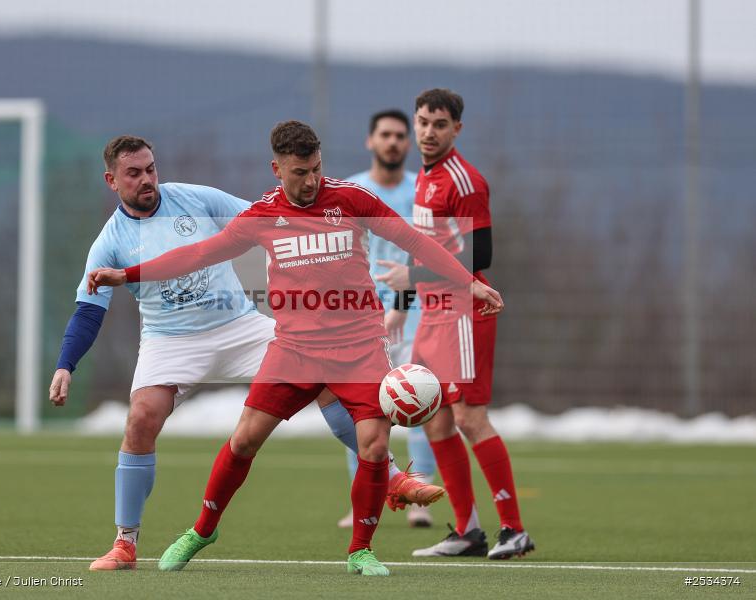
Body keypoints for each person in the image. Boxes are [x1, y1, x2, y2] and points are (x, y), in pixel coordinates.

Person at [88, 121, 504, 576]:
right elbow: (198, 254)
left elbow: (414, 240)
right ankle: (202, 530)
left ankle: (360, 551)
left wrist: (469, 284)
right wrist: (126, 275)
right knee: (244, 439)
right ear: (277, 169)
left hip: (360, 347)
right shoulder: (262, 215)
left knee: (373, 443)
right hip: (295, 349)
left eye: (317, 170)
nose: (311, 181)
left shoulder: (350, 199)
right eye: (300, 172)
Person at [376, 89, 534, 559]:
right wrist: (404, 301)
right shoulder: (425, 176)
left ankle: (515, 530)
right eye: (422, 122)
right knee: (434, 420)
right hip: (431, 312)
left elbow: (479, 255)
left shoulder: (464, 181)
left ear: (456, 129)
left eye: (439, 124)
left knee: (469, 417)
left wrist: (413, 277)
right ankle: (467, 531)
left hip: (464, 312)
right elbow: (422, 243)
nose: (427, 132)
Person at [329, 109, 439, 529]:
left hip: (415, 312)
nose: (393, 142)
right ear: (370, 141)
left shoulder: (421, 191)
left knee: (419, 398)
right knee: (358, 402)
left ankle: (418, 494)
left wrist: (404, 302)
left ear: (407, 143)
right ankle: (363, 495)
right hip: (361, 316)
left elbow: (423, 252)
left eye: (399, 135)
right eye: (385, 135)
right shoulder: (352, 189)